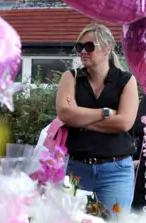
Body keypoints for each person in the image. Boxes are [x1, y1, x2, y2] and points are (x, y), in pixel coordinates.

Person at [55, 24, 139, 212]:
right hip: (77, 169)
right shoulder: (71, 77)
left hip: (116, 171)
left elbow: (125, 122)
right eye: (79, 47)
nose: (83, 52)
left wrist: (81, 119)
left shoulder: (126, 80)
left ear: (108, 48)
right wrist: (105, 113)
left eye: (89, 47)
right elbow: (65, 114)